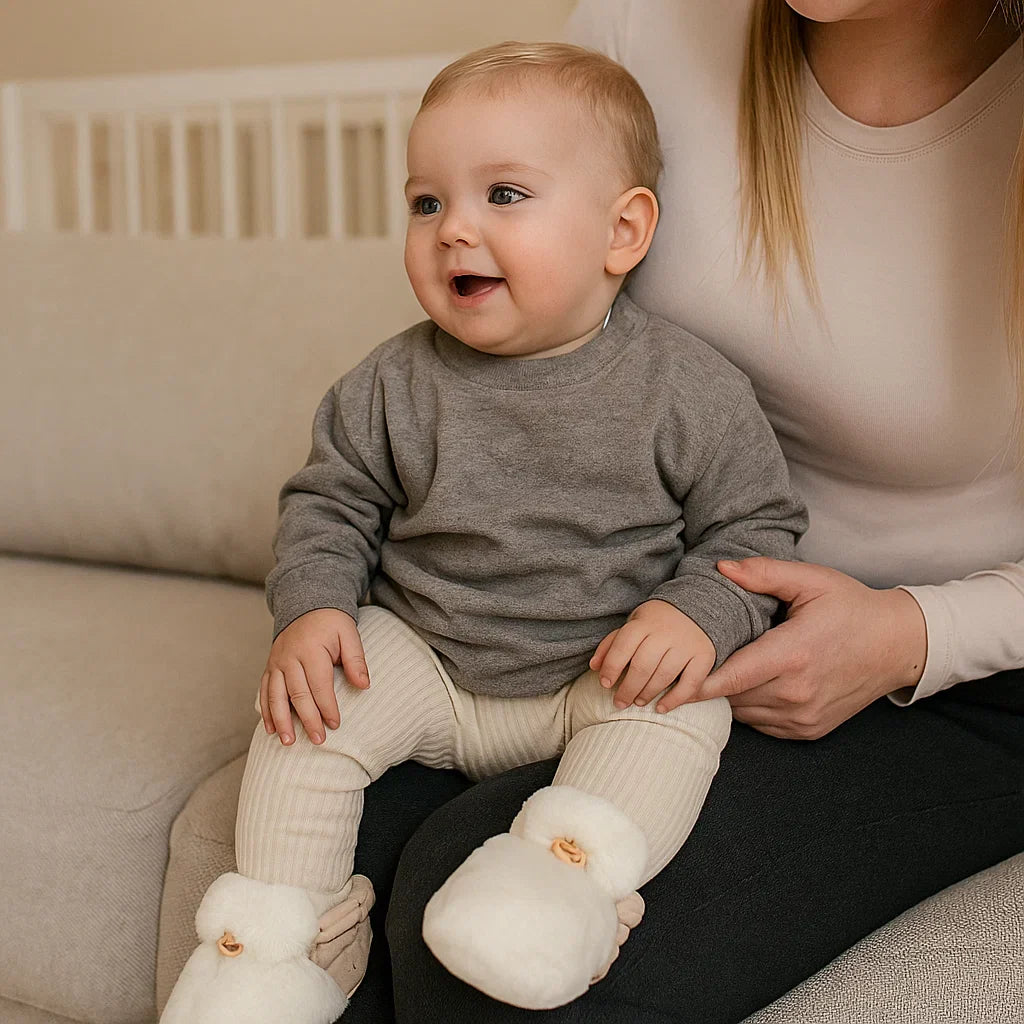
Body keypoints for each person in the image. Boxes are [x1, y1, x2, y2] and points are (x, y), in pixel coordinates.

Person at [368, 2, 1024, 1023]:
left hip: (970, 676)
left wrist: (911, 634)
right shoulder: (644, 23)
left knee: (498, 921)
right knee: (344, 833)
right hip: (659, 617)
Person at [159, 42, 807, 1023]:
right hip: (426, 660)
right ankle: (288, 942)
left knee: (685, 709)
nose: (454, 228)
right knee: (305, 711)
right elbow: (328, 504)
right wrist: (314, 610)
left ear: (622, 231)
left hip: (598, 667)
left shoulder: (688, 389)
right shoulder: (388, 385)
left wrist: (697, 612)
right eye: (426, 202)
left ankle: (559, 890)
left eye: (504, 195)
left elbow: (755, 525)